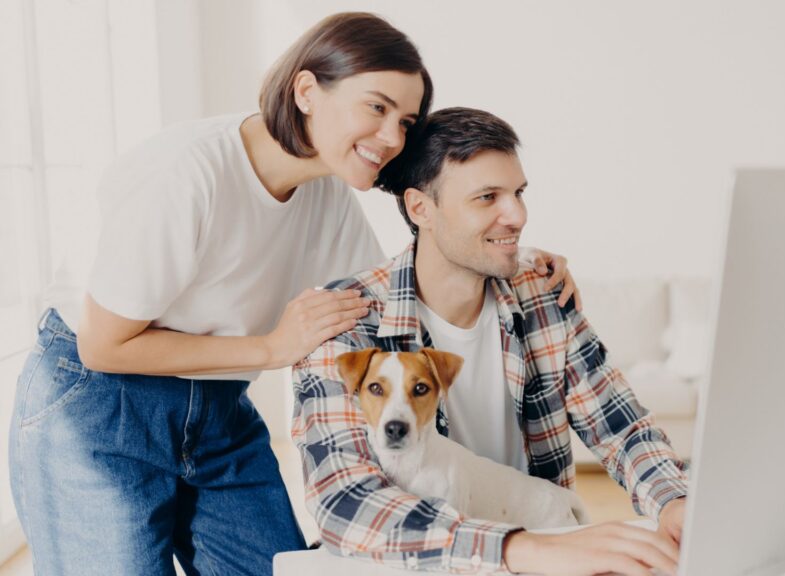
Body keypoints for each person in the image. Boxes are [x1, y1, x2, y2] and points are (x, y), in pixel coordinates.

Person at [9, 14, 576, 576]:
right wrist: (271, 348)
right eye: (376, 107)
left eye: (405, 122)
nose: (392, 138)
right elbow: (103, 347)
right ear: (306, 91)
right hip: (98, 403)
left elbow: (389, 299)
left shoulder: (327, 197)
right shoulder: (185, 174)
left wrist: (513, 262)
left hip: (217, 406)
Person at [292, 107, 688, 576]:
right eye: (487, 198)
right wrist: (520, 549)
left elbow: (620, 427)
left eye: (518, 193)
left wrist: (674, 501)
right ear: (421, 209)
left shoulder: (542, 291)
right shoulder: (345, 317)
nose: (517, 215)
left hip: (544, 547)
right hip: (420, 565)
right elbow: (346, 502)